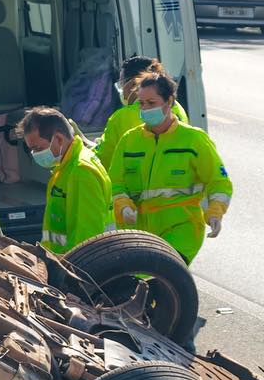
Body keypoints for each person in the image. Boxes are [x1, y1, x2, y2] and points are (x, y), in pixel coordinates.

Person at [107, 71, 232, 264]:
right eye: (141, 103)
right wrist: (123, 205)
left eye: (151, 103)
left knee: (163, 280)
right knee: (145, 286)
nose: (145, 109)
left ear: (169, 101)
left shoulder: (194, 140)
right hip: (141, 233)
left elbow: (218, 181)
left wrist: (215, 213)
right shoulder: (129, 140)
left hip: (182, 229)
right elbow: (115, 182)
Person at [18, 106, 114, 254]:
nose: (35, 154)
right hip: (62, 262)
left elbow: (87, 235)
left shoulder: (81, 172)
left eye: (38, 148)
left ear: (58, 139)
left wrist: (72, 271)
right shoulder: (66, 168)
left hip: (77, 266)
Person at [94, 55, 189, 171]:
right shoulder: (178, 108)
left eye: (122, 84)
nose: (121, 90)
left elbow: (103, 160)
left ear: (134, 83)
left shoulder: (121, 117)